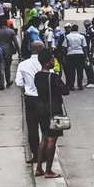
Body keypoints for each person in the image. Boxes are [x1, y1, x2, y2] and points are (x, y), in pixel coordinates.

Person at [34, 49, 68, 179]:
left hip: (40, 108)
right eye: (52, 60)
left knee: (44, 138)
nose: (54, 62)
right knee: (52, 140)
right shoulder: (53, 77)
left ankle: (39, 168)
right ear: (47, 63)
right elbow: (65, 91)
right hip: (53, 109)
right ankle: (48, 170)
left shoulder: (37, 76)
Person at [16, 41, 45, 164]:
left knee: (32, 128)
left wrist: (28, 87)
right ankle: (45, 153)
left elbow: (19, 82)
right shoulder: (45, 63)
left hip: (30, 99)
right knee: (46, 127)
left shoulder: (23, 65)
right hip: (44, 98)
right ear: (39, 49)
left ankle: (36, 154)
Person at [0, 20, 19, 90]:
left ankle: (2, 84)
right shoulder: (11, 32)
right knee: (8, 67)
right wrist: (19, 52)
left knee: (1, 67)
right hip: (9, 51)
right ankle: (8, 81)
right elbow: (16, 43)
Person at [63, 24, 89, 91]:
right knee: (80, 70)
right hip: (80, 54)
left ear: (71, 29)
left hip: (70, 54)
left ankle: (72, 86)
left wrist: (64, 56)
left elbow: (65, 47)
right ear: (77, 29)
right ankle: (80, 85)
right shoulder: (81, 36)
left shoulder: (67, 36)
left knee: (71, 71)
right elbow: (85, 47)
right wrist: (86, 56)